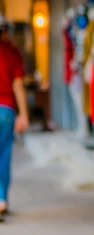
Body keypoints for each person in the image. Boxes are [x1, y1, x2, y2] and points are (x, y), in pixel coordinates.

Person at [0, 14, 29, 222]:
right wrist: (24, 114)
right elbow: (18, 85)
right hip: (6, 111)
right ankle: (1, 199)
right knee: (4, 156)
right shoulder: (11, 52)